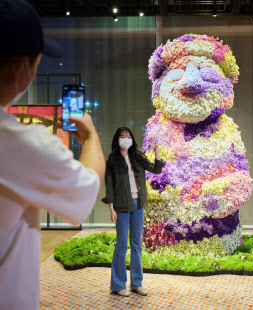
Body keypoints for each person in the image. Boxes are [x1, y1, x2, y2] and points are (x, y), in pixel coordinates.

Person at [0, 1, 105, 309]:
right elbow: (85, 197)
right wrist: (91, 139)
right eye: (36, 65)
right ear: (21, 68)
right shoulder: (19, 143)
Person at [103, 127, 165, 297]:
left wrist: (157, 151)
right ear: (117, 140)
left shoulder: (137, 156)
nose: (126, 139)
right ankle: (117, 285)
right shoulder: (112, 160)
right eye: (123, 136)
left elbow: (156, 169)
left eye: (129, 136)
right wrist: (111, 208)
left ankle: (136, 284)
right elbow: (110, 187)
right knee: (122, 245)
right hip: (122, 206)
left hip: (138, 204)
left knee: (137, 244)